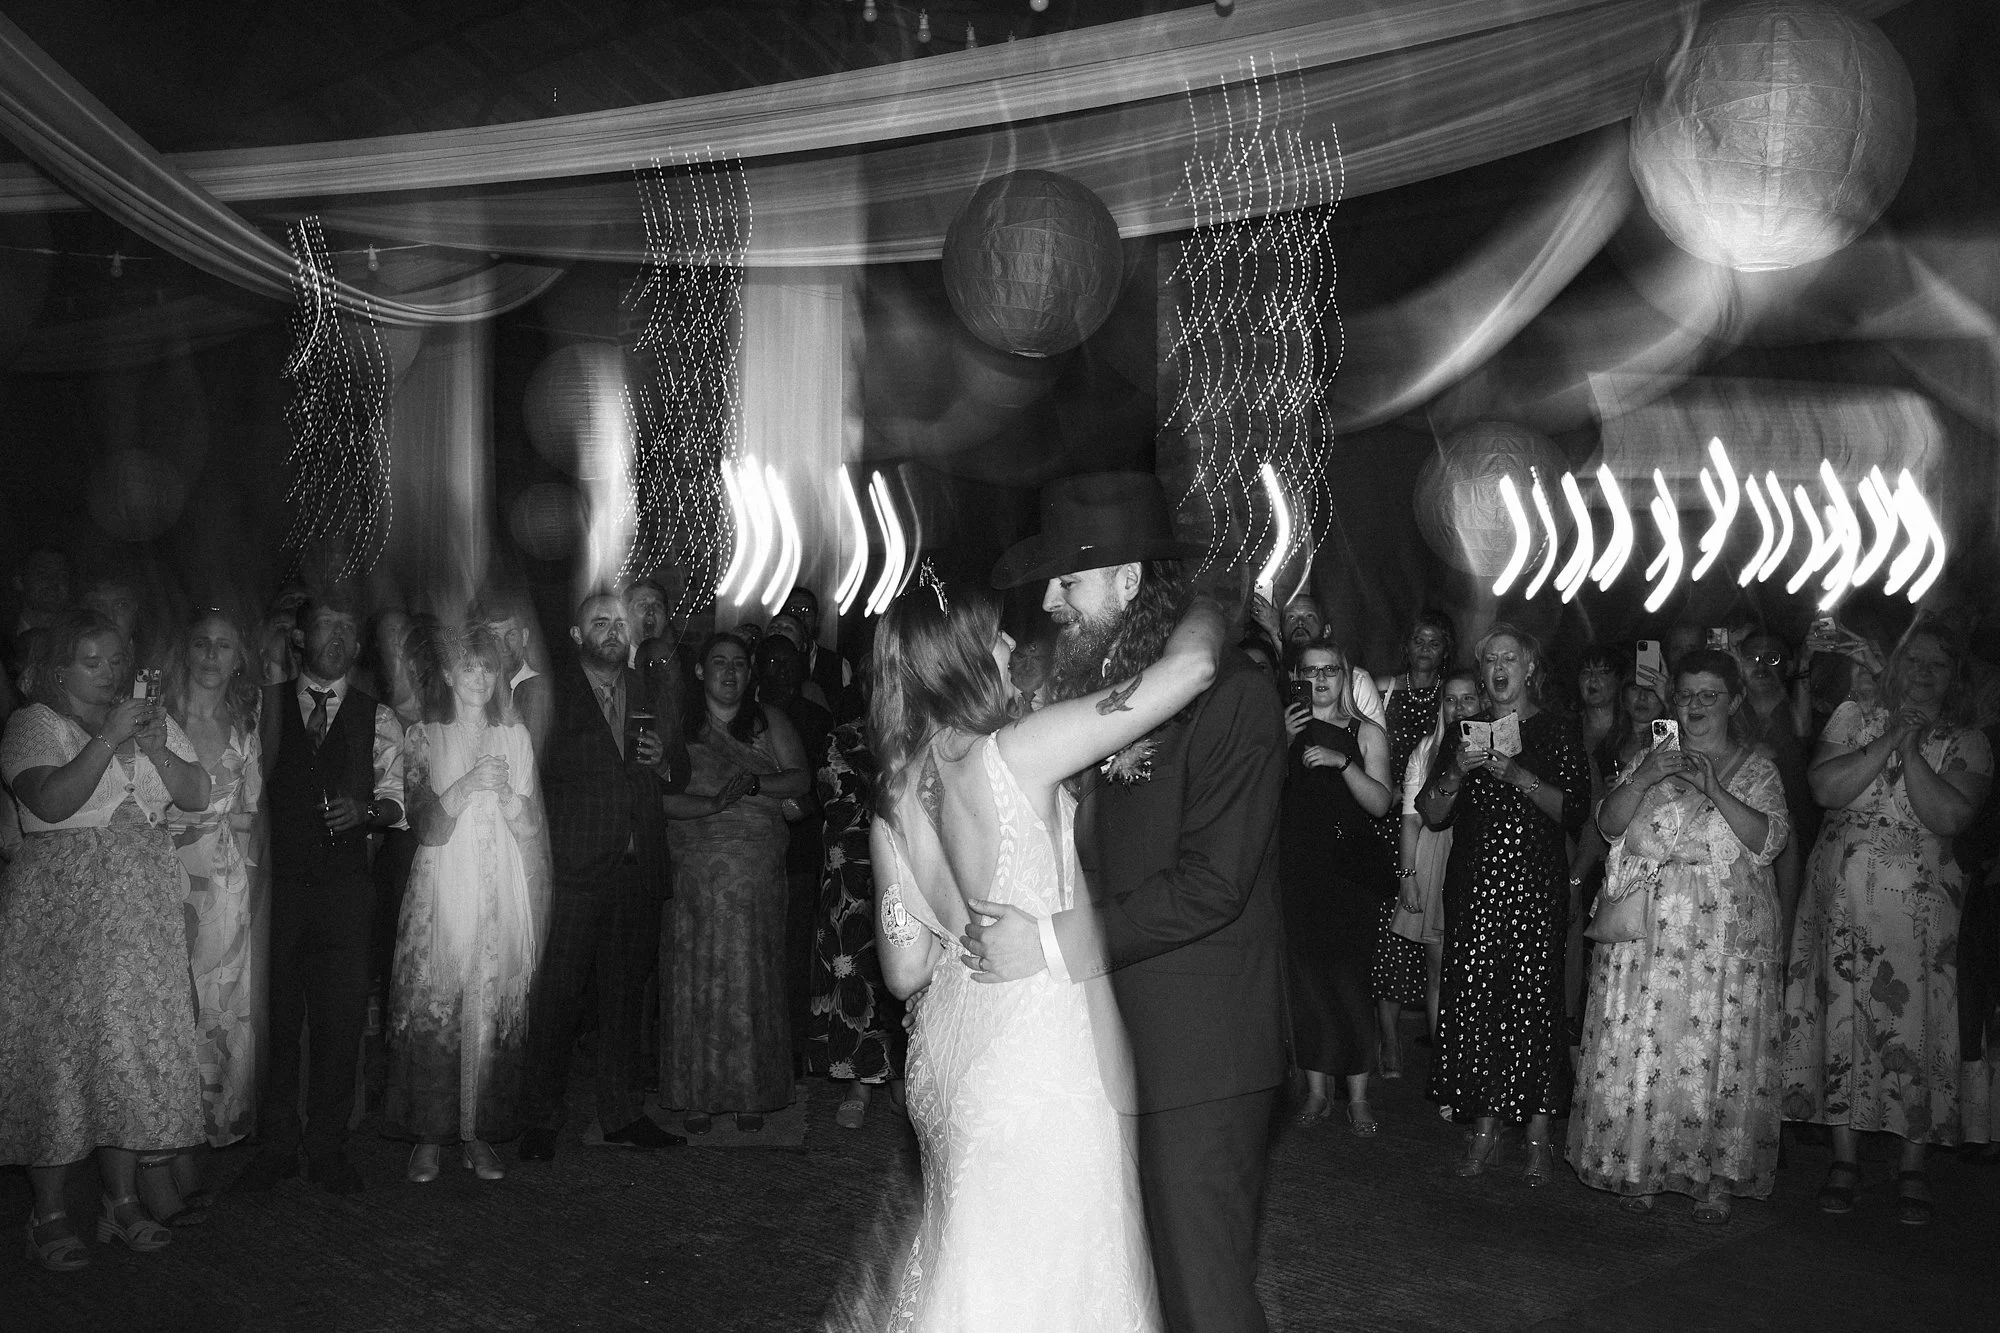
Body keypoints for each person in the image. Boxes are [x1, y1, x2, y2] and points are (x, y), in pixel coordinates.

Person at [869, 564, 1229, 1331]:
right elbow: (1193, 667)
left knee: (981, 1280)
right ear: (965, 656)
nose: (1011, 644)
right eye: (995, 636)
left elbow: (904, 970)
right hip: (1036, 1068)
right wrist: (1207, 595)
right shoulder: (1016, 753)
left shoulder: (893, 799)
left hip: (950, 1064)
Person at [971, 471, 1288, 1333]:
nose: (1050, 601)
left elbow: (1211, 886)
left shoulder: (1233, 698)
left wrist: (1048, 943)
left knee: (1202, 1297)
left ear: (1126, 580)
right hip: (1115, 1052)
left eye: (1067, 581)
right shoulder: (1119, 697)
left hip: (1202, 1056)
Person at [0, 611, 211, 1270]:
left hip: (141, 919)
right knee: (58, 1059)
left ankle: (121, 1203)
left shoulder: (149, 720)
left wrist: (152, 744)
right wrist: (108, 738)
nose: (109, 672)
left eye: (117, 659)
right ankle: (49, 1213)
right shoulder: (33, 724)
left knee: (126, 1056)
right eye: (92, 661)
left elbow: (198, 794)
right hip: (62, 918)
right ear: (59, 670)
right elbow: (51, 801)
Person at [1570, 650, 1792, 1222]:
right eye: (1686, 695)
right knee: (1648, 1047)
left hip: (1721, 938)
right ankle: (1640, 1165)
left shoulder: (1757, 769)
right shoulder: (1649, 758)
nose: (1694, 706)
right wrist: (1646, 775)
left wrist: (1714, 788)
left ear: (1734, 702)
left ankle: (1713, 1179)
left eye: (1708, 695)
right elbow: (1608, 825)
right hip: (1648, 932)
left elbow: (1769, 842)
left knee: (1713, 1051)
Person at [1783, 619, 1993, 1225]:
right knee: (1841, 1015)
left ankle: (1912, 1163)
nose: (1923, 673)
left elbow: (1947, 815)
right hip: (1839, 904)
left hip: (1920, 917)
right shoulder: (1854, 716)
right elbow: (1825, 788)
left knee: (1917, 1024)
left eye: (1937, 665)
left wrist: (1912, 750)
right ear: (1896, 665)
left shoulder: (1969, 741)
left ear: (1954, 678)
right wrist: (1890, 735)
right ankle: (1844, 1158)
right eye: (1914, 661)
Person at [232, 590, 407, 1197]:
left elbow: (398, 801)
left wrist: (368, 810)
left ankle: (328, 1146)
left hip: (344, 894)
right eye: (327, 626)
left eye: (348, 629)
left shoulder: (377, 716)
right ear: (300, 638)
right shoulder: (262, 706)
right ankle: (277, 1145)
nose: (339, 638)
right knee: (277, 1022)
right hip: (277, 890)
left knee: (339, 1024)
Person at [1418, 621, 1590, 1185]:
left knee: (1533, 1006)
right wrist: (1455, 770)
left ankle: (1538, 1137)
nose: (1498, 669)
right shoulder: (1464, 732)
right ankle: (1485, 1130)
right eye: (1490, 659)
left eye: (1509, 659)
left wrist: (1519, 777)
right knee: (1476, 1003)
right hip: (1475, 886)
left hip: (1534, 887)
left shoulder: (1557, 729)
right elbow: (1432, 813)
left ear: (1530, 667)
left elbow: (1575, 811)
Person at [517, 592, 682, 1161]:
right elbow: (528, 779)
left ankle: (623, 1113)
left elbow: (680, 767)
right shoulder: (543, 693)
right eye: (599, 622)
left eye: (619, 623)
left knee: (625, 999)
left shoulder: (647, 689)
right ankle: (540, 1118)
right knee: (558, 998)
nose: (613, 631)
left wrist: (664, 761)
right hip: (573, 870)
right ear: (575, 634)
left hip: (636, 869)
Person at [386, 624, 551, 1183]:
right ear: (449, 675)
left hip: (500, 891)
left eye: (487, 667)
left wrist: (504, 794)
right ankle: (429, 1137)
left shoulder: (517, 738)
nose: (479, 677)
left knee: (490, 1010)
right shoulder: (423, 737)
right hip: (440, 893)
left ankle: (477, 1134)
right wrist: (467, 783)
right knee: (436, 1009)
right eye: (468, 667)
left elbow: (530, 828)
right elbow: (426, 827)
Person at [660, 634, 810, 1133]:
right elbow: (660, 795)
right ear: (700, 671)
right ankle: (697, 1094)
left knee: (751, 974)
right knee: (695, 974)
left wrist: (754, 784)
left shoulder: (769, 721)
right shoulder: (678, 726)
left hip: (754, 870)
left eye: (740, 664)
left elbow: (800, 780)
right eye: (719, 662)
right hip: (694, 868)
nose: (729, 672)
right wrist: (713, 804)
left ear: (750, 673)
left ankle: (753, 1092)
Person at [161, 610, 267, 1161]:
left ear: (238, 658)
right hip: (160, 873)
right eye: (201, 642)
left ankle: (209, 1128)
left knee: (219, 1007)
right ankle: (161, 1133)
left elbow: (253, 810)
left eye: (223, 645)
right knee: (164, 1003)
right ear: (185, 649)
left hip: (224, 882)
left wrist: (249, 886)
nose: (210, 655)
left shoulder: (246, 721)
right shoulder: (156, 715)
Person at [1282, 639, 1396, 1134]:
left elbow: (1381, 804)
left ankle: (1359, 1097)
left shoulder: (1365, 731)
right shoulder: (1283, 728)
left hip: (1350, 874)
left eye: (1330, 670)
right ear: (1297, 678)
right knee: (1307, 982)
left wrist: (1342, 762)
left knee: (1351, 983)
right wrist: (1280, 742)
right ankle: (1316, 1091)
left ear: (1345, 676)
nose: (1321, 679)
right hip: (1299, 870)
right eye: (1311, 671)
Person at [811, 693, 903, 1130]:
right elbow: (838, 804)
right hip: (852, 871)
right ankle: (860, 1082)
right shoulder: (843, 738)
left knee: (905, 968)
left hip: (907, 866)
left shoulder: (922, 726)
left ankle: (902, 1073)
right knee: (854, 972)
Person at [1373, 610, 1456, 1070]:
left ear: (1446, 651)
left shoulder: (1455, 696)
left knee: (1437, 938)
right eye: (1418, 640)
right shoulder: (1384, 688)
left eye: (1434, 642)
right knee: (1390, 936)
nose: (1425, 648)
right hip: (1391, 822)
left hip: (1438, 823)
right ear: (1406, 646)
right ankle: (1389, 1039)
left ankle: (1442, 1042)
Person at [1391, 670, 1483, 1045]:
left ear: (1482, 701)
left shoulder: (1503, 745)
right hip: (1436, 854)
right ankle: (1442, 1061)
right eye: (1450, 699)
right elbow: (1411, 821)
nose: (1458, 708)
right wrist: (1408, 877)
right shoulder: (1427, 749)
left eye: (1467, 699)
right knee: (1439, 969)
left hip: (1481, 857)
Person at [781, 585, 859, 721]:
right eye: (793, 609)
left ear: (817, 619)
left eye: (806, 610)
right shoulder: (766, 658)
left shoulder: (838, 664)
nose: (800, 615)